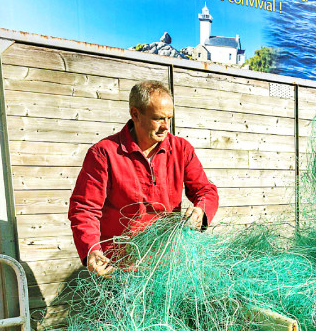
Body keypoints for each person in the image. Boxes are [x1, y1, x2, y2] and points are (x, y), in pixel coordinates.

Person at [69, 80, 219, 277]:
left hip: (167, 264)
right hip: (117, 268)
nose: (166, 126)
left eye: (169, 118)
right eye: (158, 118)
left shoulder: (182, 149)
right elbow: (85, 208)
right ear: (135, 114)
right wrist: (91, 248)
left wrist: (201, 210)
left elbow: (205, 191)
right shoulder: (104, 153)